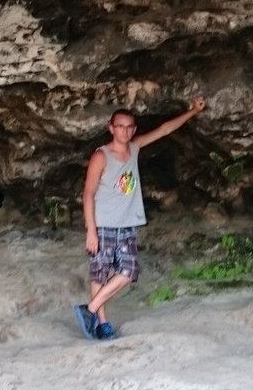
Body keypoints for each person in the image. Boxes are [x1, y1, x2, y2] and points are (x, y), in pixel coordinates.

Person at [74, 98, 205, 340]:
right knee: (100, 274)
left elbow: (165, 129)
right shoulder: (101, 156)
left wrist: (192, 112)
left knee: (129, 270)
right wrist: (91, 230)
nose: (124, 131)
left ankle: (89, 310)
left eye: (129, 127)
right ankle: (102, 324)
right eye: (120, 126)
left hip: (126, 224)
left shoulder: (134, 148)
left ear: (134, 129)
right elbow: (88, 193)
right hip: (103, 224)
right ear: (111, 128)